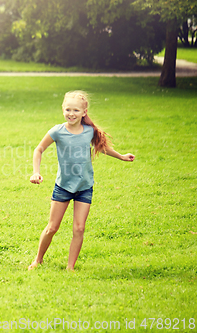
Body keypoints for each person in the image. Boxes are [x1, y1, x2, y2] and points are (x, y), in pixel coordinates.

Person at [28, 90, 135, 271]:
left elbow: (103, 148)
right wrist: (35, 172)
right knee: (52, 227)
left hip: (84, 187)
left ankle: (70, 267)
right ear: (63, 109)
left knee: (79, 229)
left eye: (76, 110)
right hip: (63, 186)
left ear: (84, 112)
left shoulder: (89, 131)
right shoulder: (57, 131)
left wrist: (121, 157)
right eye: (68, 109)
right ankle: (38, 260)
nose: (71, 114)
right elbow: (38, 149)